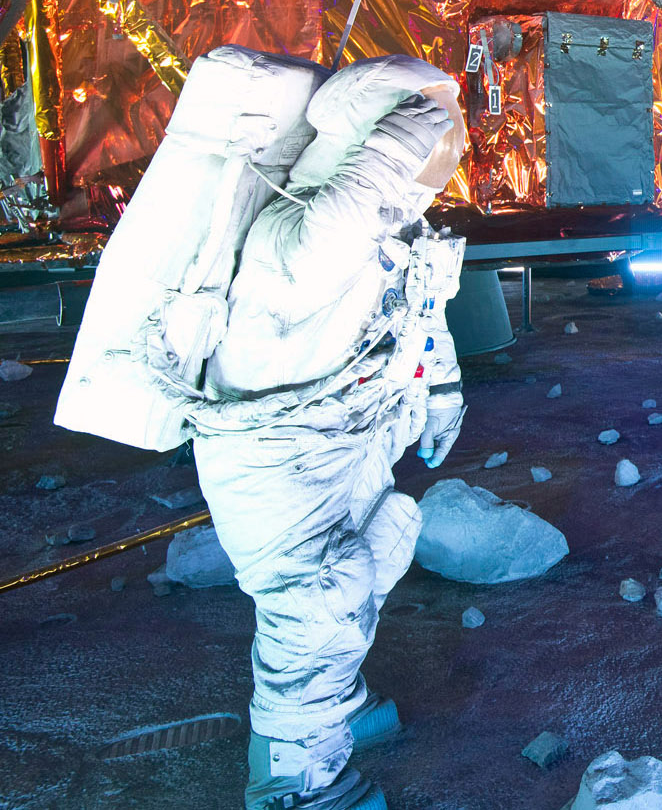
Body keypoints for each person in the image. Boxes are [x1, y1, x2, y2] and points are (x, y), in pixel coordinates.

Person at [184, 56, 469, 809]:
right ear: (383, 140)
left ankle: (334, 707)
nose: (446, 160)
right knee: (316, 603)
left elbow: (418, 306)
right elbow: (339, 232)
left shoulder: (379, 221)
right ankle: (290, 773)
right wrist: (393, 152)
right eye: (432, 137)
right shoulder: (300, 232)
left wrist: (440, 391)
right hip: (281, 463)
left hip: (342, 437)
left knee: (359, 575)